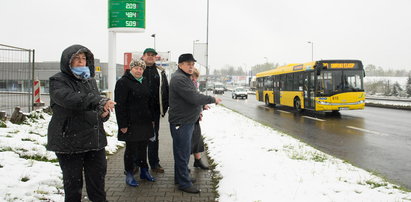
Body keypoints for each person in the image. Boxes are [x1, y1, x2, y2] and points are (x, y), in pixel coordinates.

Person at [47, 44, 116, 202]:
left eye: (83, 59)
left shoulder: (89, 80)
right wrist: (99, 101)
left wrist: (103, 113)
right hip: (69, 141)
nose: (80, 62)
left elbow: (93, 107)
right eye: (76, 59)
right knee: (73, 188)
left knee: (98, 184)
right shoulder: (58, 80)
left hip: (94, 141)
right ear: (68, 62)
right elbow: (73, 100)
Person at [169, 53, 222, 193]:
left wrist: (200, 106)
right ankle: (184, 184)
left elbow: (190, 99)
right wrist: (212, 99)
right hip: (181, 122)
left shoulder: (183, 77)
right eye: (188, 64)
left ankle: (180, 177)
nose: (191, 66)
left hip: (186, 120)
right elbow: (193, 97)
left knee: (182, 152)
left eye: (192, 64)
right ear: (180, 65)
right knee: (182, 153)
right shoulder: (179, 79)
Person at [114, 59, 156, 187]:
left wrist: (152, 120)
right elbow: (119, 106)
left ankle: (144, 171)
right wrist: (123, 125)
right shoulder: (123, 82)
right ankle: (129, 173)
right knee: (131, 150)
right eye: (136, 68)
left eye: (141, 69)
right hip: (131, 123)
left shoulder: (144, 82)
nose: (139, 70)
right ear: (131, 69)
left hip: (145, 122)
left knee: (143, 148)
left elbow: (149, 102)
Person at [141, 48, 169, 173]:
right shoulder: (137, 69)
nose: (151, 57)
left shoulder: (160, 72)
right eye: (148, 55)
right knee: (139, 139)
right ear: (143, 56)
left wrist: (165, 107)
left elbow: (165, 90)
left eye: (153, 55)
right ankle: (137, 164)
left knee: (154, 138)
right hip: (139, 112)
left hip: (154, 111)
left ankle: (154, 163)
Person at [190, 68, 209, 170]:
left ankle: (198, 161)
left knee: (197, 139)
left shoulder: (194, 85)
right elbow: (192, 100)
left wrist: (202, 106)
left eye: (196, 77)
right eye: (193, 77)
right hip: (188, 118)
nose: (194, 79)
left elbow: (197, 98)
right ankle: (183, 166)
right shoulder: (188, 85)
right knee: (189, 142)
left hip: (195, 117)